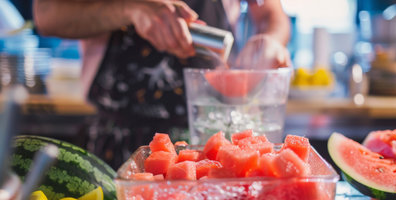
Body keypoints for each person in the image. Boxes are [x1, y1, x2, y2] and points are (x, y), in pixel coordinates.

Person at [33, 0, 291, 169]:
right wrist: (131, 8)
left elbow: (270, 12)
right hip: (120, 145)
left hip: (211, 142)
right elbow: (48, 14)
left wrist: (270, 39)